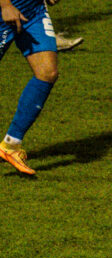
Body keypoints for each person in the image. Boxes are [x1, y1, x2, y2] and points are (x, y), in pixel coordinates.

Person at [0, 0, 62, 175]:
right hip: (5, 10)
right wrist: (5, 5)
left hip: (33, 10)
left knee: (47, 72)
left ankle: (11, 145)